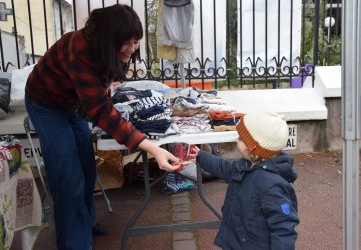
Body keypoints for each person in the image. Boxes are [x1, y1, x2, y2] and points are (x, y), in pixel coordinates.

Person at [24, 4, 180, 250]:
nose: (133, 48)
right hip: (46, 103)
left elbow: (100, 97)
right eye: (126, 42)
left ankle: (84, 223)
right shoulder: (80, 52)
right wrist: (153, 148)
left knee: (86, 167)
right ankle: (75, 244)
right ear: (110, 38)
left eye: (136, 41)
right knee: (67, 177)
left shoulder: (106, 47)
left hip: (72, 102)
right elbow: (101, 111)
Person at [188, 112, 300, 250]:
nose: (236, 140)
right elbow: (224, 168)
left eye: (241, 138)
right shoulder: (246, 165)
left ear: (253, 147)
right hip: (237, 240)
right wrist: (201, 156)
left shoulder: (272, 185)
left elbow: (283, 228)